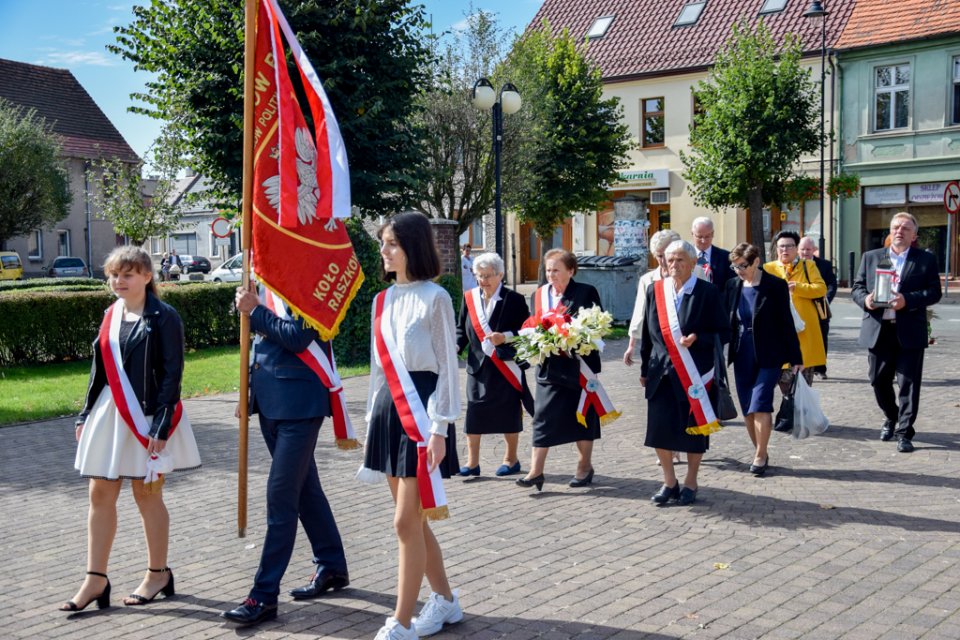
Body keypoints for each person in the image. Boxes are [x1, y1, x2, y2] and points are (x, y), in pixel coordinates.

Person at [62, 246, 201, 613]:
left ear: (146, 276)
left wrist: (161, 421)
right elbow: (100, 372)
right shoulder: (110, 315)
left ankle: (158, 574)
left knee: (146, 495)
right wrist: (85, 413)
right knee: (100, 494)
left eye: (127, 274)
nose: (118, 281)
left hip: (148, 417)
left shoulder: (164, 317)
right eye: (113, 274)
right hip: (110, 415)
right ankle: (96, 579)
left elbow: (173, 373)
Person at [356, 212, 463, 640]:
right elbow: (377, 369)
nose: (383, 252)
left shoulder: (436, 297)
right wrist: (369, 419)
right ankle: (446, 602)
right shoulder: (380, 301)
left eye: (392, 244)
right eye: (383, 243)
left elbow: (448, 369)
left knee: (405, 522)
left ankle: (401, 622)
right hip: (389, 412)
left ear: (413, 248)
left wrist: (440, 428)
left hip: (423, 413)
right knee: (415, 523)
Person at [222, 281, 349, 626]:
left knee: (281, 498)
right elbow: (262, 343)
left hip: (300, 405)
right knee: (305, 491)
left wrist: (254, 308)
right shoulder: (270, 284)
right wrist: (248, 389)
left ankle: (263, 596)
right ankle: (332, 566)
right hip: (271, 402)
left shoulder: (310, 281)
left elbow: (296, 337)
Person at [640, 241, 729, 505]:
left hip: (694, 374)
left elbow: (723, 331)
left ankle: (691, 480)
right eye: (670, 260)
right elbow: (648, 334)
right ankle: (669, 481)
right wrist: (645, 368)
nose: (674, 265)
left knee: (693, 430)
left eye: (680, 260)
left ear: (693, 263)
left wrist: (698, 338)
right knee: (659, 430)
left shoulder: (708, 292)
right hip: (661, 373)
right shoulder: (655, 291)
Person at [851, 212, 942, 453]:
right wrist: (866, 300)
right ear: (890, 231)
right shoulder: (871, 257)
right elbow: (857, 288)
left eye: (905, 228)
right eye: (895, 227)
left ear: (914, 235)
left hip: (909, 330)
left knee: (908, 384)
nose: (899, 231)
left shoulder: (925, 260)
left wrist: (907, 300)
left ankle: (904, 432)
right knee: (878, 380)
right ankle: (891, 417)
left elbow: (934, 292)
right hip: (878, 330)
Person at [517, 249, 606, 491]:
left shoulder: (585, 292)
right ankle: (536, 472)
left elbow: (595, 327)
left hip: (579, 367)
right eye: (548, 270)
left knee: (582, 418)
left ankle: (584, 466)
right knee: (542, 417)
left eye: (556, 269)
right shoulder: (539, 294)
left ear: (571, 270)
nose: (551, 275)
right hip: (549, 367)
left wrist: (572, 335)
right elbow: (533, 324)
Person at [725, 243, 803, 476]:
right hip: (742, 352)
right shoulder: (732, 285)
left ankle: (760, 455)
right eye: (735, 266)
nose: (739, 270)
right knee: (748, 408)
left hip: (770, 353)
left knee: (761, 403)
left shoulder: (775, 286)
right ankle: (760, 449)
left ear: (756, 261)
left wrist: (795, 356)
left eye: (743, 266)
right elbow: (725, 319)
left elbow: (786, 323)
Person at [456, 252, 533, 477]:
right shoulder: (469, 298)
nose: (483, 281)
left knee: (508, 412)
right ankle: (472, 463)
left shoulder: (514, 300)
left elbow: (527, 332)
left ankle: (511, 459)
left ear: (500, 274)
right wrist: (454, 347)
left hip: (505, 366)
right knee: (474, 412)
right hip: (478, 366)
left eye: (488, 275)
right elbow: (461, 328)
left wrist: (506, 336)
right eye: (479, 275)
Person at [624, 229, 686, 465]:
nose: (663, 260)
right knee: (661, 403)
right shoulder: (647, 280)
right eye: (659, 255)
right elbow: (639, 314)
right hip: (658, 352)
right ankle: (667, 447)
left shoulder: (695, 273)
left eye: (667, 254)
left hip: (683, 350)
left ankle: (680, 446)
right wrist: (631, 345)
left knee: (681, 400)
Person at [763, 230, 826, 392]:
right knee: (783, 381)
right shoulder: (768, 269)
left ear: (796, 248)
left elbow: (821, 289)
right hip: (779, 332)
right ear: (776, 249)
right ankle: (788, 412)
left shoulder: (808, 266)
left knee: (802, 386)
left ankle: (799, 414)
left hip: (804, 331)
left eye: (789, 246)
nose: (785, 250)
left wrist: (798, 287)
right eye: (781, 246)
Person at [798, 237, 837, 378]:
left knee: (821, 336)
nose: (805, 252)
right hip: (801, 307)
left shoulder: (824, 265)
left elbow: (832, 284)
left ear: (814, 250)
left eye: (808, 249)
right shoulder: (794, 264)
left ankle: (820, 368)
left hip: (820, 306)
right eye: (802, 249)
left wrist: (826, 298)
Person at [691, 216, 733, 290]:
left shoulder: (726, 257)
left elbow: (731, 285)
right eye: (699, 237)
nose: (703, 240)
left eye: (707, 236)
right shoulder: (685, 256)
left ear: (713, 234)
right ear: (692, 234)